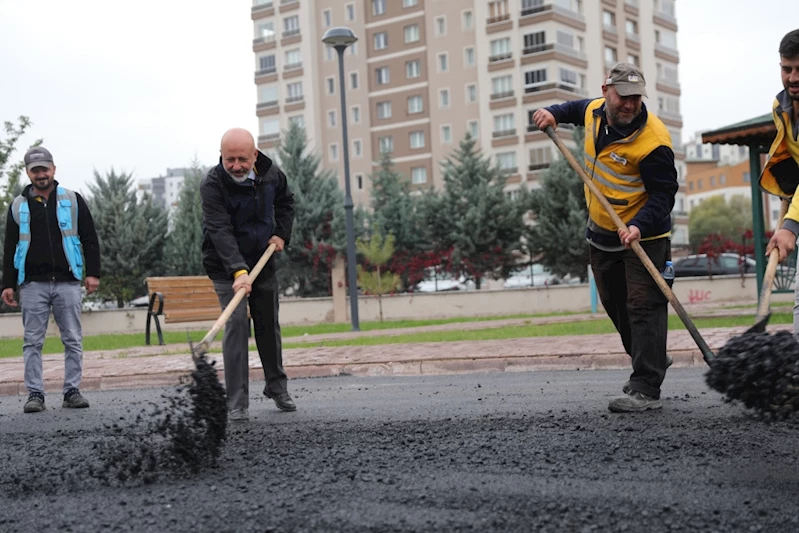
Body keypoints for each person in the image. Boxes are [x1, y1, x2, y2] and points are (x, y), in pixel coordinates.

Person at [533, 63, 678, 413]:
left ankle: (645, 386)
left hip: (645, 234)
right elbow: (569, 110)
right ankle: (652, 354)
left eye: (636, 98)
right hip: (601, 230)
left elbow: (664, 194)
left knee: (643, 304)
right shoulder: (594, 111)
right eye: (623, 97)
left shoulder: (653, 141)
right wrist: (549, 113)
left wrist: (639, 226)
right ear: (606, 91)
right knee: (615, 303)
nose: (630, 105)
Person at [201, 128, 295, 422]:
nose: (237, 166)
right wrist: (238, 271)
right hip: (225, 266)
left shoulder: (272, 176)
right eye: (230, 159)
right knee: (237, 324)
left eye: (242, 159)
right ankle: (237, 401)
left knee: (268, 324)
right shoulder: (213, 184)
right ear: (222, 156)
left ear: (255, 155)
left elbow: (286, 204)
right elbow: (219, 230)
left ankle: (276, 387)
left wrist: (281, 234)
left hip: (263, 263)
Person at [1, 147, 101, 413]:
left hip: (68, 282)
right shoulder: (17, 206)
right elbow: (10, 247)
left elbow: (89, 238)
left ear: (54, 169)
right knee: (32, 341)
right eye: (35, 170)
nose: (41, 174)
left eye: (44, 168)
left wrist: (93, 273)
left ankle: (72, 391)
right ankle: (35, 394)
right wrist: (7, 284)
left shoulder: (72, 199)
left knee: (72, 338)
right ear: (28, 173)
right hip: (32, 284)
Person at [762, 29, 799, 336]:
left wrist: (791, 226)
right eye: (787, 69)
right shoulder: (781, 108)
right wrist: (785, 219)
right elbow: (790, 164)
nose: (793, 77)